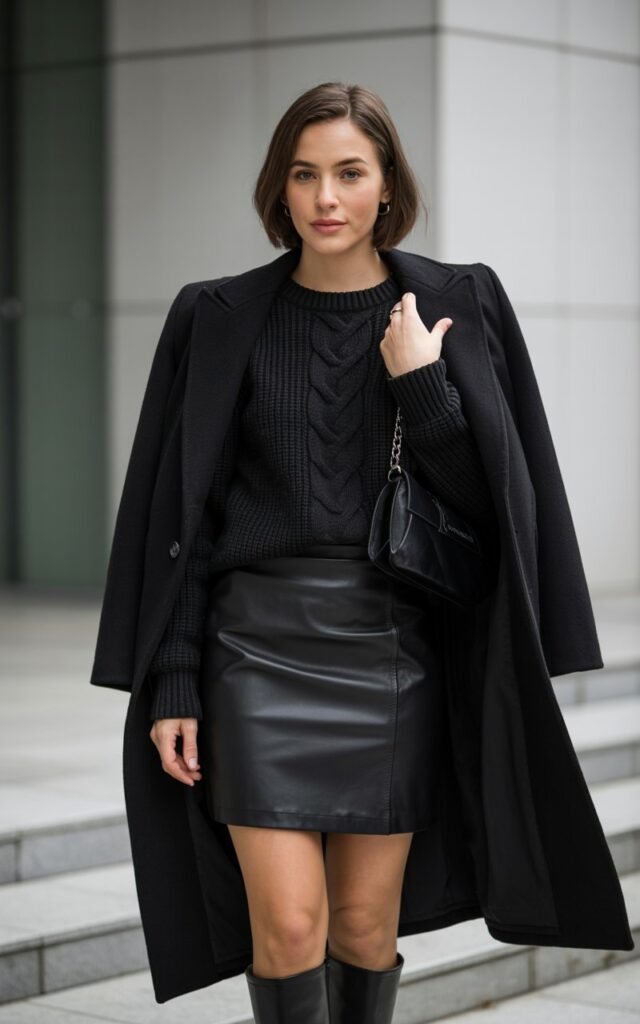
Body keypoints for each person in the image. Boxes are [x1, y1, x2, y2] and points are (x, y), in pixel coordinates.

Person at [90, 80, 633, 1021]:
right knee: (290, 926)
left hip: (394, 649)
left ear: (388, 186)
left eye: (349, 172)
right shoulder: (216, 316)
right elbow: (186, 521)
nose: (325, 197)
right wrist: (173, 678)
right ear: (280, 188)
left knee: (362, 926)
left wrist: (421, 386)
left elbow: (494, 506)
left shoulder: (458, 301)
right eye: (305, 174)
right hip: (252, 650)